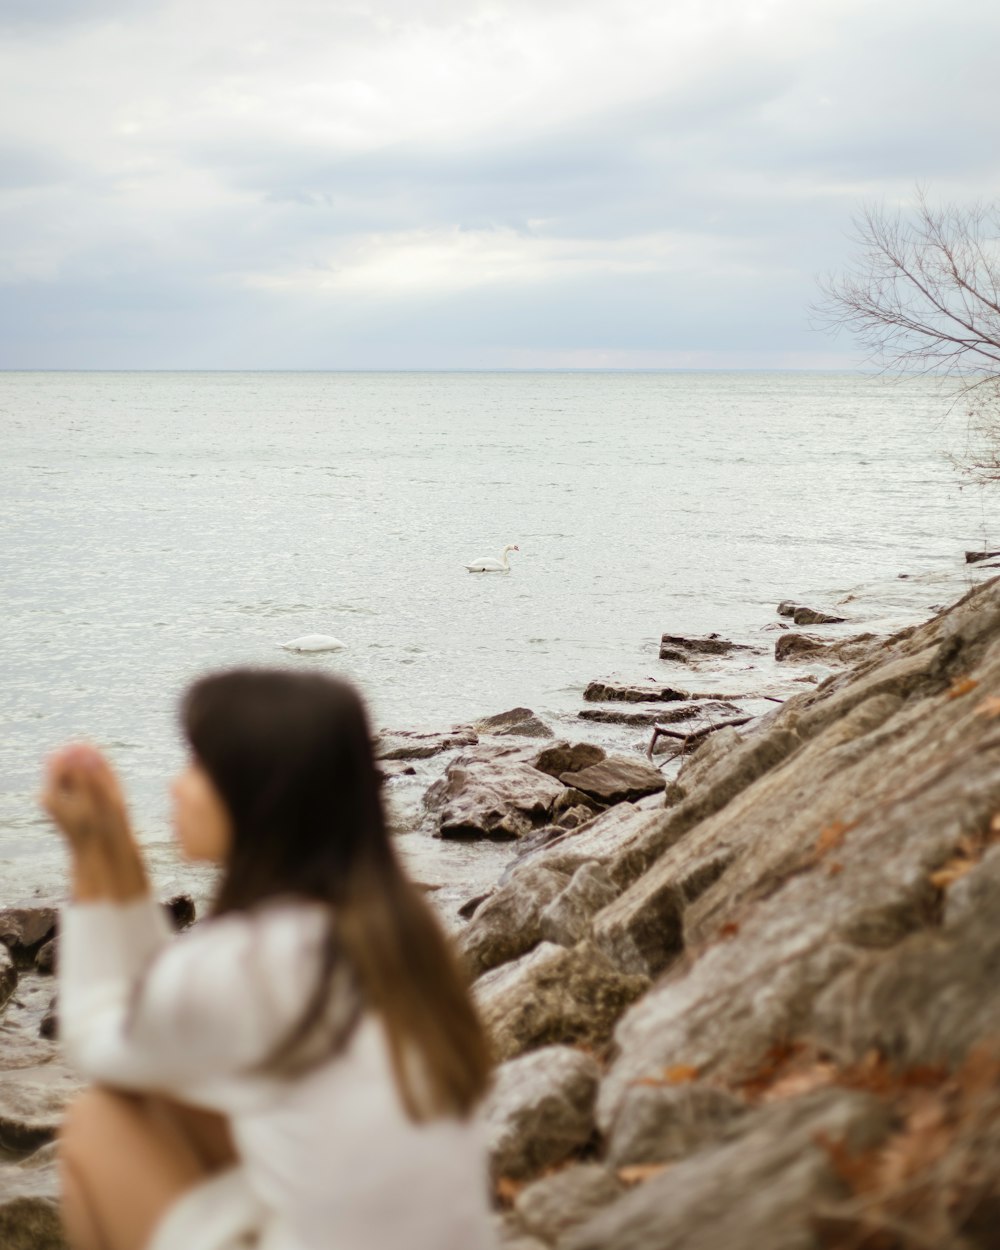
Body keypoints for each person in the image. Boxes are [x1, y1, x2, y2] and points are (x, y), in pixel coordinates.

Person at [40, 669, 497, 1250]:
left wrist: (95, 846)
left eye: (198, 767)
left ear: (259, 792)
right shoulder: (399, 933)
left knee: (99, 1122)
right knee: (180, 1104)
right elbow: (165, 1026)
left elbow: (99, 1037)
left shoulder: (251, 960)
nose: (176, 787)